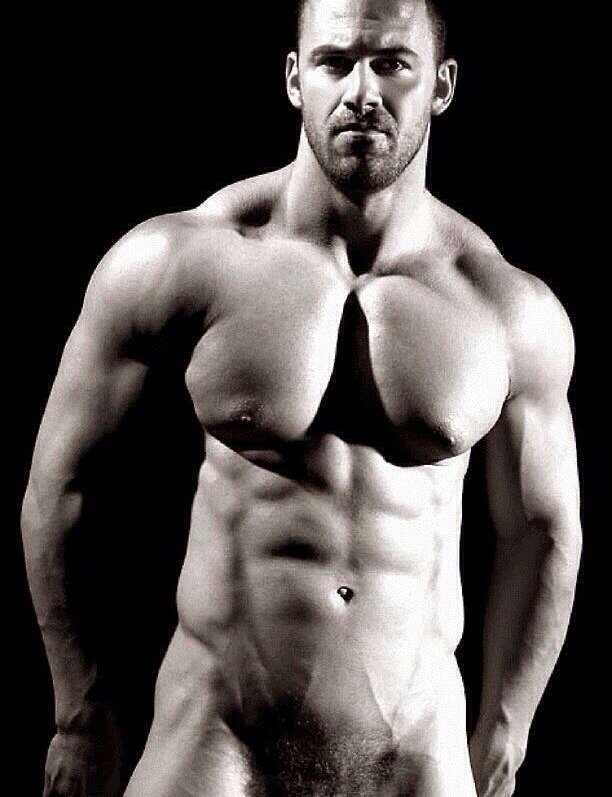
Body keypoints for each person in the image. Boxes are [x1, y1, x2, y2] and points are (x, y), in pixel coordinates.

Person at [21, 0, 582, 795]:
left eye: (392, 63)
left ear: (442, 86)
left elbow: (542, 526)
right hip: (215, 738)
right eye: (334, 62)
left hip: (415, 750)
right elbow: (63, 485)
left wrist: (508, 720)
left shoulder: (507, 309)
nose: (362, 91)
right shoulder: (179, 260)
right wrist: (79, 708)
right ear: (294, 78)